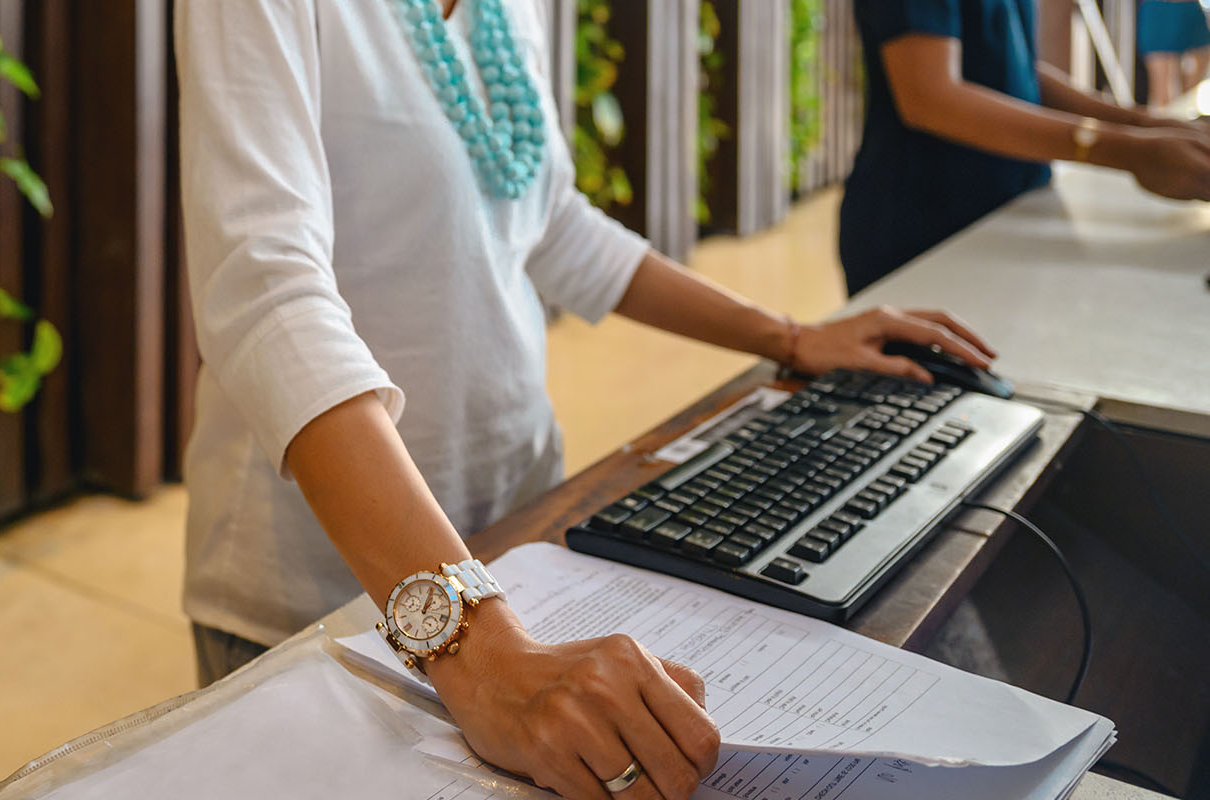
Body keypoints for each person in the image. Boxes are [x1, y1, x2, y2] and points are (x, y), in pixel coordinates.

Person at [176, 1, 1000, 798]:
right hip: (329, 585)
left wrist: (785, 337)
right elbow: (268, 293)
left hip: (514, 553)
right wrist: (480, 653)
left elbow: (551, 222)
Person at [841, 0, 1210, 294]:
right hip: (925, 229)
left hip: (1011, 212)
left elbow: (1014, 70)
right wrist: (1126, 151)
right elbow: (929, 97)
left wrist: (1148, 124)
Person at [1141, 0, 1210, 108]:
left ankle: (1186, 119)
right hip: (1161, 10)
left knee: (1192, 94)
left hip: (1192, 9)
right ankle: (1167, 121)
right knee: (1163, 90)